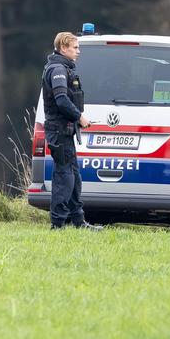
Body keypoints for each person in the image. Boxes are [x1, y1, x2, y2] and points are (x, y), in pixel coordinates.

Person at [41, 32, 102, 231]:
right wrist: (79, 117)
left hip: (66, 132)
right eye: (75, 48)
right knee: (64, 176)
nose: (78, 52)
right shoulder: (58, 69)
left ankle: (78, 221)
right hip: (59, 131)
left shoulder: (64, 68)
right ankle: (57, 223)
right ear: (63, 47)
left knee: (73, 176)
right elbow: (61, 100)